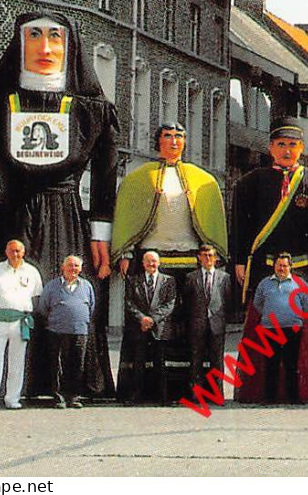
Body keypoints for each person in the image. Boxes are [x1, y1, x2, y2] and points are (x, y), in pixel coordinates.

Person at [0, 13, 120, 406]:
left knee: (67, 300)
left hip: (67, 216)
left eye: (55, 37)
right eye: (35, 36)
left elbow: (107, 173)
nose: (45, 48)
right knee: (5, 298)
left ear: (70, 45)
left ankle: (70, 384)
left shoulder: (93, 108)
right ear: (19, 43)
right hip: (10, 214)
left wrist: (101, 232)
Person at [229, 121, 308, 403]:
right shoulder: (249, 183)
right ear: (270, 148)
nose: (287, 150)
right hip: (266, 272)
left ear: (302, 148)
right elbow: (239, 228)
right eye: (281, 145)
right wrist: (239, 260)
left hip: (306, 272)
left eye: (292, 145)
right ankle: (260, 392)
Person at [111, 121, 226, 397]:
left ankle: (191, 388)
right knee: (148, 325)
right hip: (152, 258)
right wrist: (126, 253)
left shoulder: (204, 180)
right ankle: (144, 389)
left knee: (192, 328)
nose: (174, 141)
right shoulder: (139, 178)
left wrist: (212, 258)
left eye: (179, 136)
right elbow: (128, 218)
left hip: (189, 261)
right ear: (157, 141)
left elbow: (211, 222)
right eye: (167, 136)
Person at [0, 240, 43, 410]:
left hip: (20, 321)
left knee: (17, 361)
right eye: (12, 251)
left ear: (24, 252)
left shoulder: (32, 271)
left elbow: (36, 296)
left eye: (18, 251)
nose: (15, 254)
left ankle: (12, 398)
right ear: (6, 251)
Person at [250, 253, 308, 404]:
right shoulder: (264, 283)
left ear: (290, 267)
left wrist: (294, 317)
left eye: (285, 266)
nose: (281, 268)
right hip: (270, 329)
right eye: (279, 265)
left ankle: (293, 398)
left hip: (292, 329)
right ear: (274, 266)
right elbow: (257, 303)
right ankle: (269, 398)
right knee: (271, 363)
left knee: (291, 364)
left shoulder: (300, 283)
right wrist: (270, 315)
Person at [120, 250, 178, 405]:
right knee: (138, 364)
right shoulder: (133, 280)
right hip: (140, 328)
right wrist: (142, 318)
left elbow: (170, 304)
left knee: (160, 363)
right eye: (148, 261)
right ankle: (136, 396)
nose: (151, 264)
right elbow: (129, 303)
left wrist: (153, 319)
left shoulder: (169, 281)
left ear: (159, 263)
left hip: (160, 328)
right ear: (143, 263)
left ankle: (163, 397)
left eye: (154, 261)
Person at [39, 255, 94, 409]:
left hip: (79, 331)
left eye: (76, 266)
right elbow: (43, 308)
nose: (73, 269)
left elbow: (91, 307)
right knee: (57, 365)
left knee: (77, 364)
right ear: (63, 267)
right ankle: (58, 397)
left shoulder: (87, 286)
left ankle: (74, 397)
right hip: (56, 331)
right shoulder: (51, 286)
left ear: (81, 268)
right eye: (70, 265)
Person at [185, 244, 231, 391]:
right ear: (199, 258)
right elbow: (186, 301)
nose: (208, 258)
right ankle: (196, 393)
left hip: (217, 324)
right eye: (204, 255)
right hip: (197, 324)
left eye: (211, 255)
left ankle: (217, 393)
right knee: (196, 360)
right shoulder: (191, 277)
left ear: (216, 258)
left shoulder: (224, 278)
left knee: (217, 360)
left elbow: (228, 300)